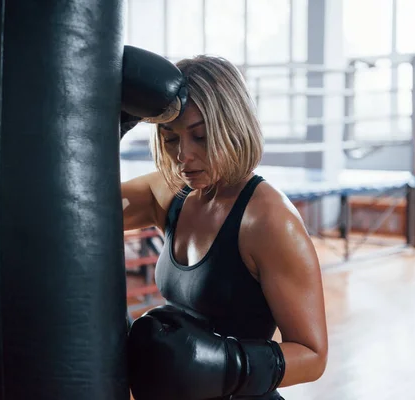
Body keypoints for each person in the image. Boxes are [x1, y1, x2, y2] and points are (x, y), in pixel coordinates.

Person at [121, 54, 328, 400]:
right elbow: (80, 213)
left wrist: (226, 366)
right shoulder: (173, 193)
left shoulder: (268, 219)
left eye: (199, 136)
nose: (182, 156)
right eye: (170, 139)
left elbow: (313, 356)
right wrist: (106, 124)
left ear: (232, 126)